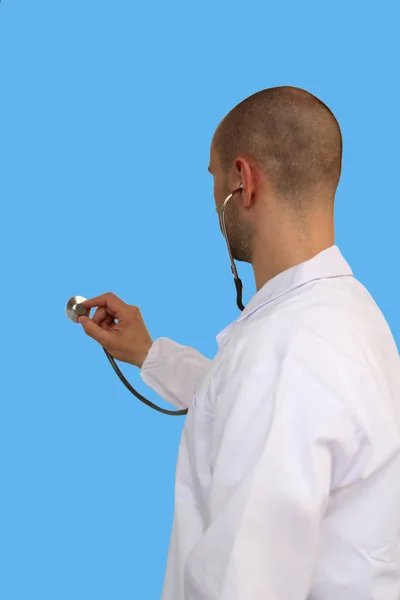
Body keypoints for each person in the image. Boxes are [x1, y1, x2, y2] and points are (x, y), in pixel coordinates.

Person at [78, 86, 400, 599]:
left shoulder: (287, 350)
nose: (211, 198)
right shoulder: (347, 314)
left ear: (242, 181)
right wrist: (148, 353)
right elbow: (243, 401)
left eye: (213, 177)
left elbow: (244, 583)